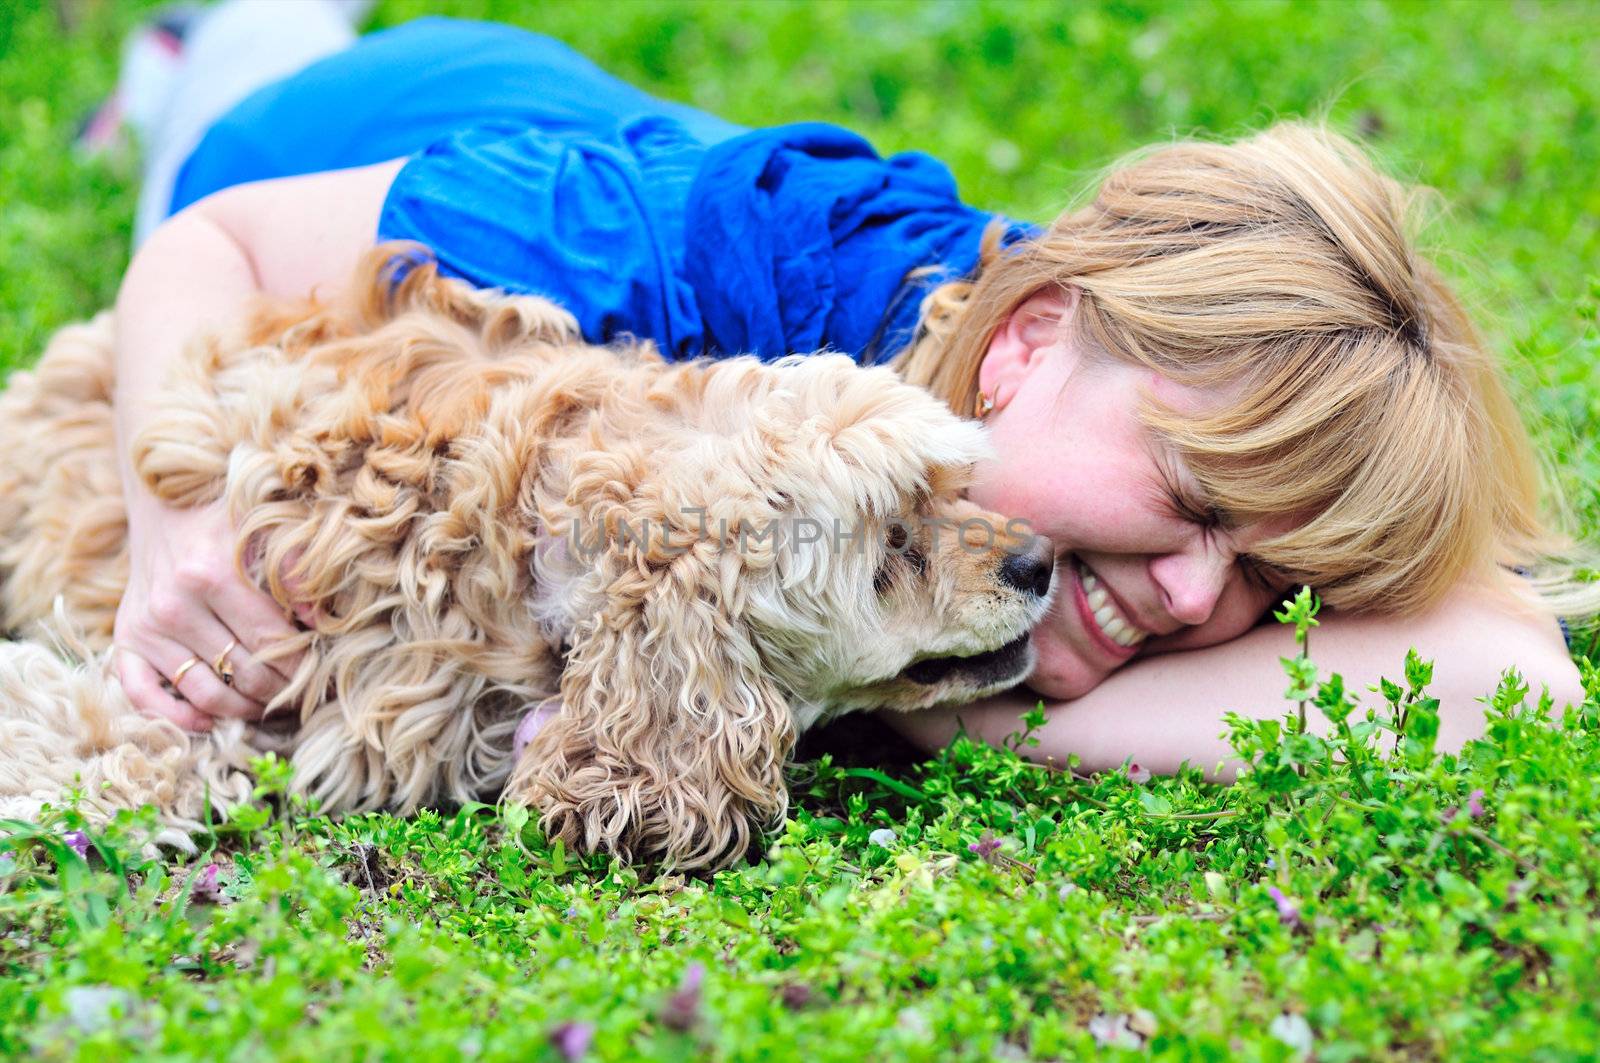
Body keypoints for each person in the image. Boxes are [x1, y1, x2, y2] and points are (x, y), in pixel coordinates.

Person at [105, 6, 1589, 778]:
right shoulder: (717, 268)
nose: (1205, 598)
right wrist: (172, 513)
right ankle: (211, 44)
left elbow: (1507, 678)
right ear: (1023, 342)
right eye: (1196, 500)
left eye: (1269, 567)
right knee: (236, 82)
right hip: (363, 142)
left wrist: (965, 717)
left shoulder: (1095, 381)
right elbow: (220, 246)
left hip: (609, 132)